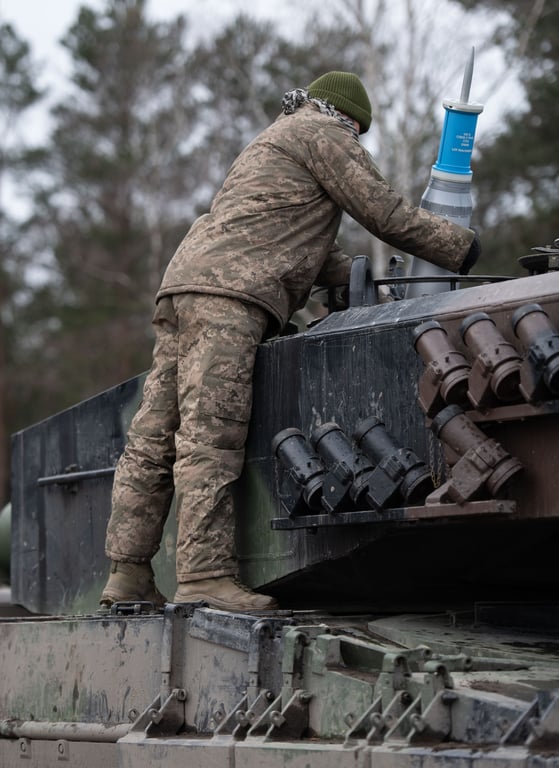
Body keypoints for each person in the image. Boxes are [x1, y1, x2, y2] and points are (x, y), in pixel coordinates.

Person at [100, 71, 480, 612]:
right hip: (231, 297)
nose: (355, 142)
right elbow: (383, 212)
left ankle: (128, 573)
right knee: (212, 437)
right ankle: (204, 576)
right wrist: (460, 248)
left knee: (154, 437)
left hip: (188, 285)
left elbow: (280, 234)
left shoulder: (274, 139)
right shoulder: (325, 133)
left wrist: (347, 272)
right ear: (349, 120)